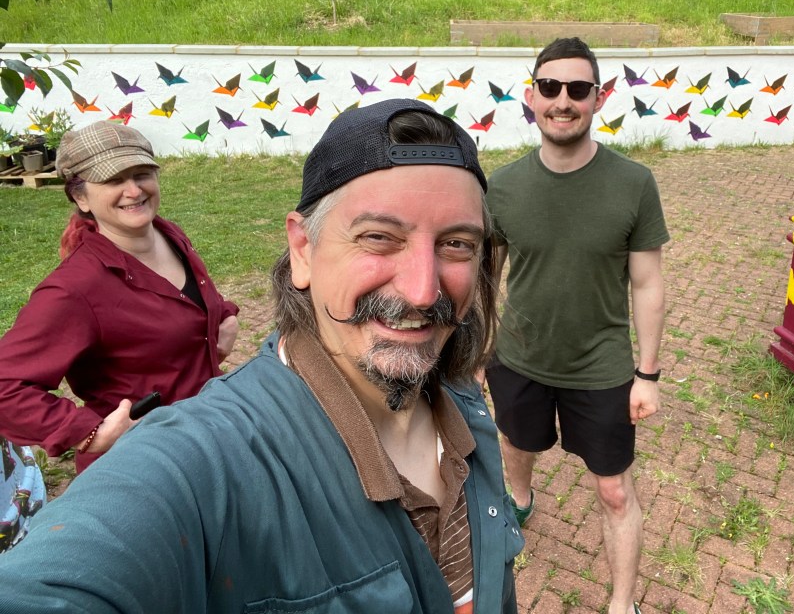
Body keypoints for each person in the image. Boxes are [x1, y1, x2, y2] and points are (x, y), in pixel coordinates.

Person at [0, 98, 524, 613]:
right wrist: (88, 432)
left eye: (457, 244)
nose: (424, 292)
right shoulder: (200, 465)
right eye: (378, 237)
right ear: (302, 250)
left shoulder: (463, 402)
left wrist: (223, 316)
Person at [485, 37, 669, 614]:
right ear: (531, 96)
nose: (562, 100)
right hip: (519, 356)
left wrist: (648, 374)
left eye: (578, 89)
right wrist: (477, 345)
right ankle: (520, 499)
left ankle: (622, 603)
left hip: (601, 368)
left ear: (599, 98)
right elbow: (487, 275)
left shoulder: (633, 183)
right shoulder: (502, 186)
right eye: (550, 87)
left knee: (614, 490)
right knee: (517, 443)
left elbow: (648, 284)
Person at [0, 121, 239, 472]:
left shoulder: (168, 234)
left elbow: (185, 302)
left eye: (141, 174)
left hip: (205, 440)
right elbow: (5, 386)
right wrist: (89, 432)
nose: (133, 190)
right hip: (143, 466)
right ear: (80, 197)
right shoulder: (75, 288)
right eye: (113, 180)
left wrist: (224, 314)